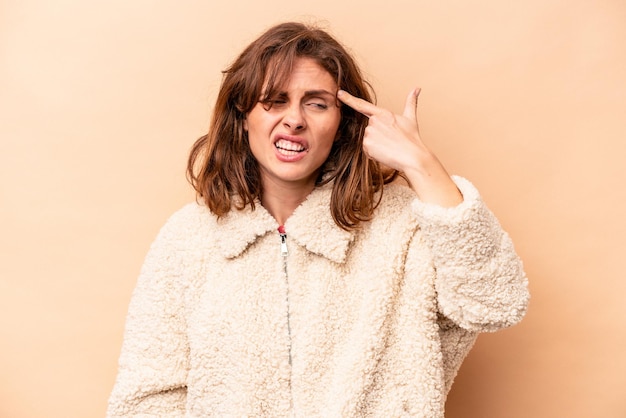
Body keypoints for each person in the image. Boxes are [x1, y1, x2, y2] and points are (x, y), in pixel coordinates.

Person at [107, 21, 529, 417]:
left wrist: (421, 165)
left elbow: (496, 304)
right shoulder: (188, 239)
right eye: (274, 101)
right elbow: (146, 399)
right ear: (242, 115)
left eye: (317, 103)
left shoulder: (405, 227)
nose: (294, 119)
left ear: (343, 124)